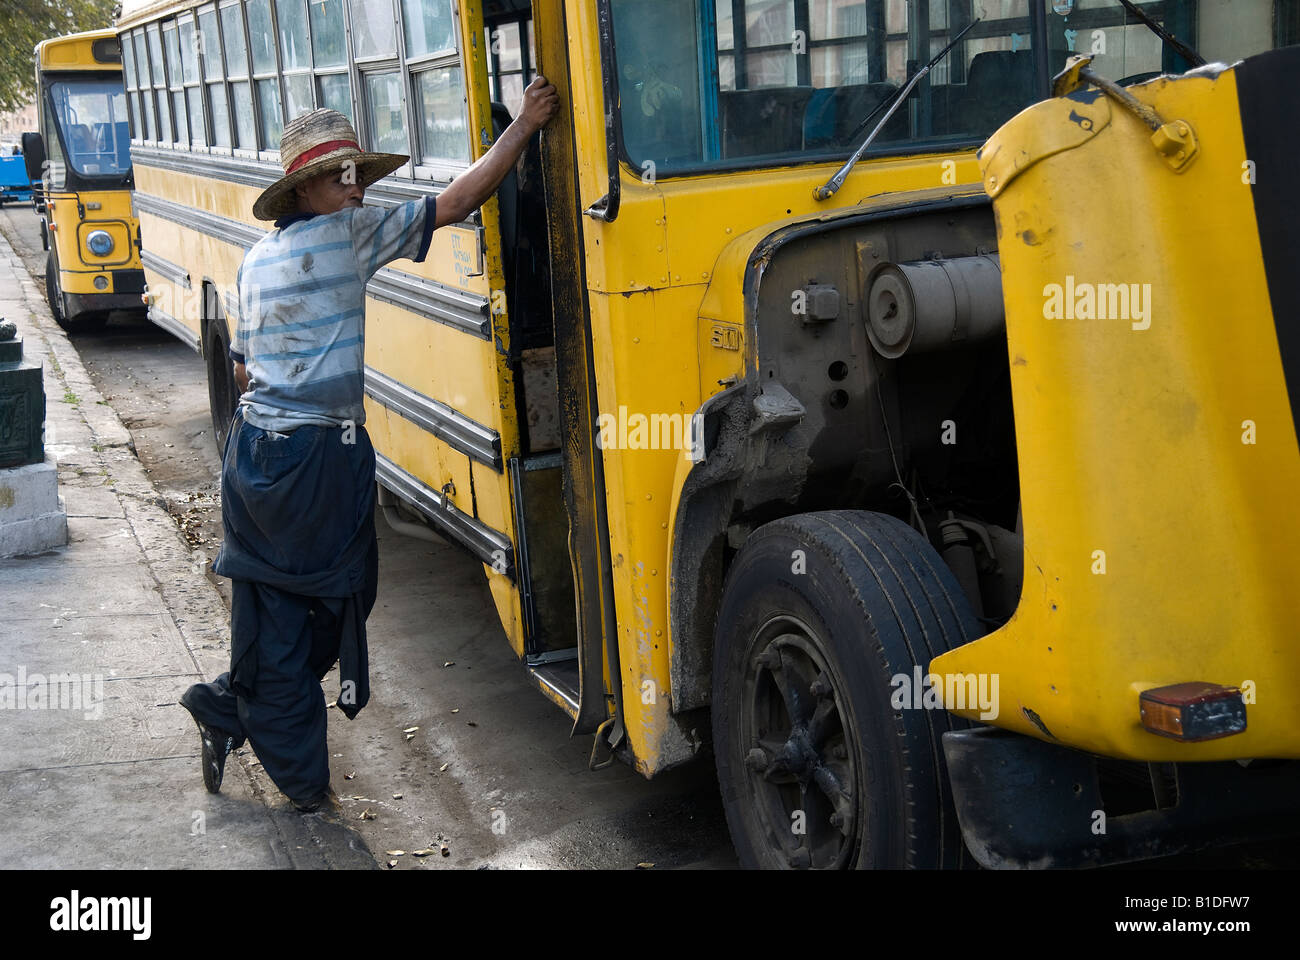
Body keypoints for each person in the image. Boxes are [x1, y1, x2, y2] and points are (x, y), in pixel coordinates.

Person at [179, 76, 559, 812]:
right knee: (331, 601)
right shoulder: (351, 238)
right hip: (313, 461)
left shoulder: (257, 260)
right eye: (339, 177)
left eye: (356, 174)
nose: (354, 188)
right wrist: (525, 127)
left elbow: (241, 367)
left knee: (292, 605)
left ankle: (230, 705)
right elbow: (455, 203)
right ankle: (296, 775)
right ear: (304, 190)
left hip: (253, 457)